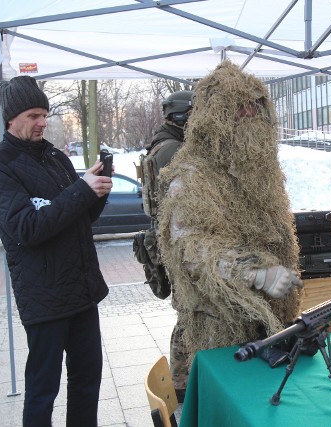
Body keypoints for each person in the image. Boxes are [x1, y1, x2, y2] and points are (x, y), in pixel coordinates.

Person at [156, 61, 303, 374]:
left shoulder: (260, 169)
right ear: (215, 116)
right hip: (222, 325)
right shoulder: (193, 175)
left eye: (257, 106)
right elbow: (193, 250)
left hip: (271, 320)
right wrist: (254, 273)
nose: (251, 115)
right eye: (239, 107)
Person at [0, 75, 113, 426]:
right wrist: (80, 192)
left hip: (82, 291)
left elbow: (81, 219)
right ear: (12, 118)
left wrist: (96, 189)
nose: (42, 122)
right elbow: (28, 228)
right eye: (33, 115)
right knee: (43, 390)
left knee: (87, 381)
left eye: (44, 114)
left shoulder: (55, 157)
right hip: (45, 298)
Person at [135, 89, 193, 402]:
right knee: (188, 313)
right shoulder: (172, 150)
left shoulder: (162, 144)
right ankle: (181, 383)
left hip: (170, 238)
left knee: (186, 313)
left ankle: (182, 380)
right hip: (178, 242)